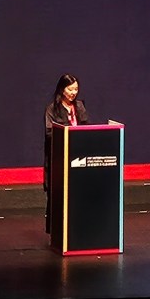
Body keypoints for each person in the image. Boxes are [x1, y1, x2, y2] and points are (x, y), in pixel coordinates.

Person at [43, 73, 91, 232]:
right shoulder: (52, 109)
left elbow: (86, 128)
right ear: (62, 89)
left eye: (76, 89)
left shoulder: (79, 106)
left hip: (78, 156)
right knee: (58, 196)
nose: (73, 93)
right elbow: (50, 133)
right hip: (60, 158)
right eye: (70, 89)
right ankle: (57, 231)